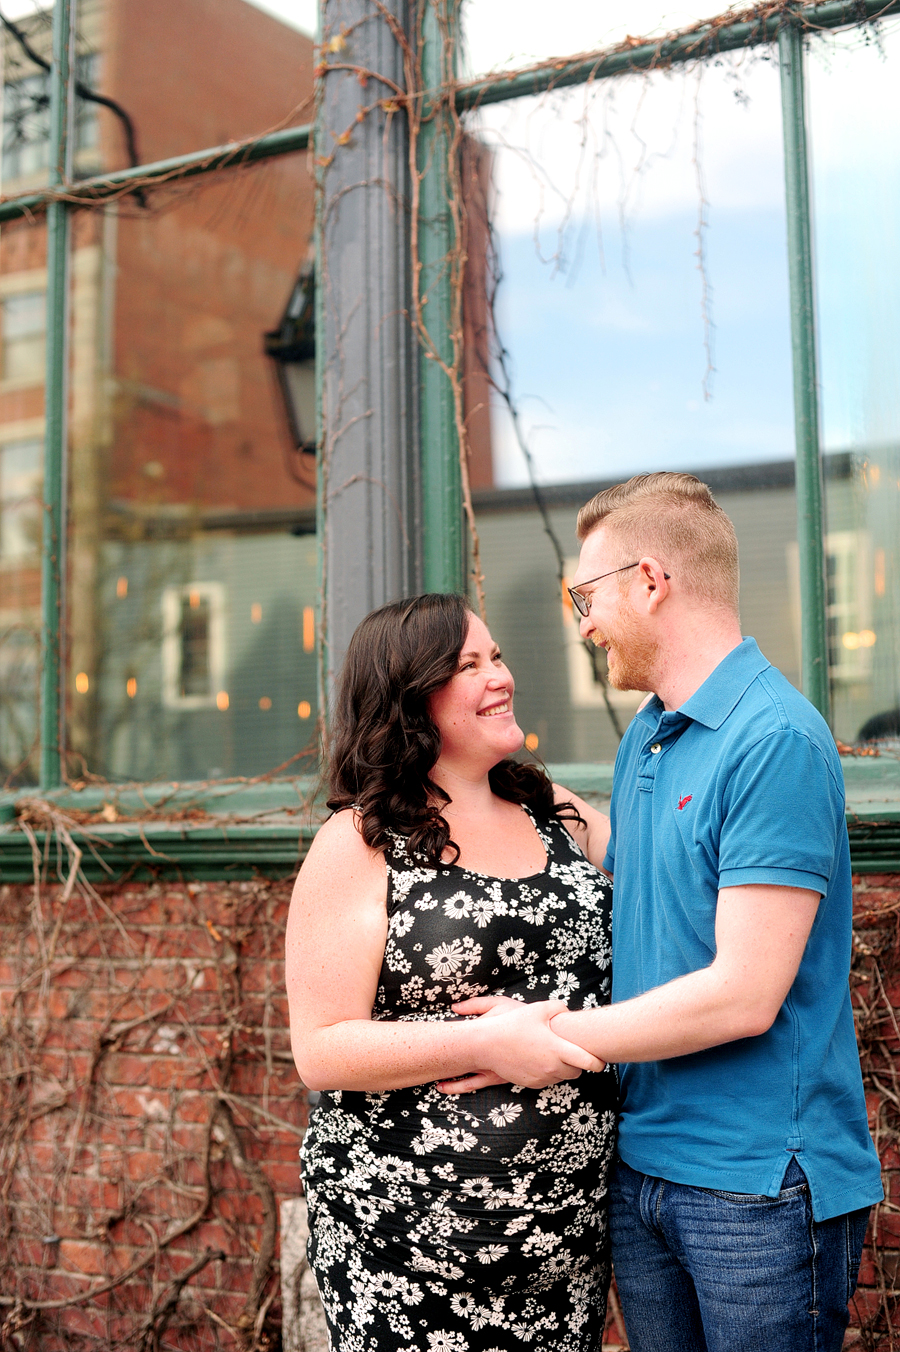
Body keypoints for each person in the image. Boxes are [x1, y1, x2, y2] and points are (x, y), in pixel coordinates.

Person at [445, 473, 883, 1352]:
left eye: (587, 595)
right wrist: (478, 785)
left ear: (650, 581)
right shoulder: (651, 728)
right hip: (646, 1168)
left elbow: (743, 995)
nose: (580, 623)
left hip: (756, 1185)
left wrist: (549, 1035)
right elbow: (641, 851)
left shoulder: (774, 743)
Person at [285, 593, 619, 1352]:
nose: (499, 676)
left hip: (565, 1243)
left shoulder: (554, 812)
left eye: (495, 656)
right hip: (406, 1253)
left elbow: (673, 890)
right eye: (467, 665)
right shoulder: (359, 843)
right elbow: (323, 1047)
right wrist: (483, 1045)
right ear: (409, 699)